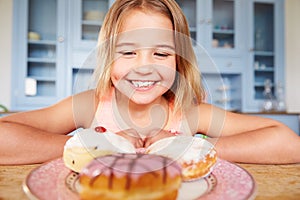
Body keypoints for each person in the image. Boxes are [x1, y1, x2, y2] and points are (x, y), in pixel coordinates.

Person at [0, 0, 299, 165]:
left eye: (161, 53)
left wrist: (186, 147)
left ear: (178, 61)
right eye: (128, 52)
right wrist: (98, 146)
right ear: (108, 57)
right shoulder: (91, 105)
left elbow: (288, 143)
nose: (144, 67)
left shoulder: (189, 113)